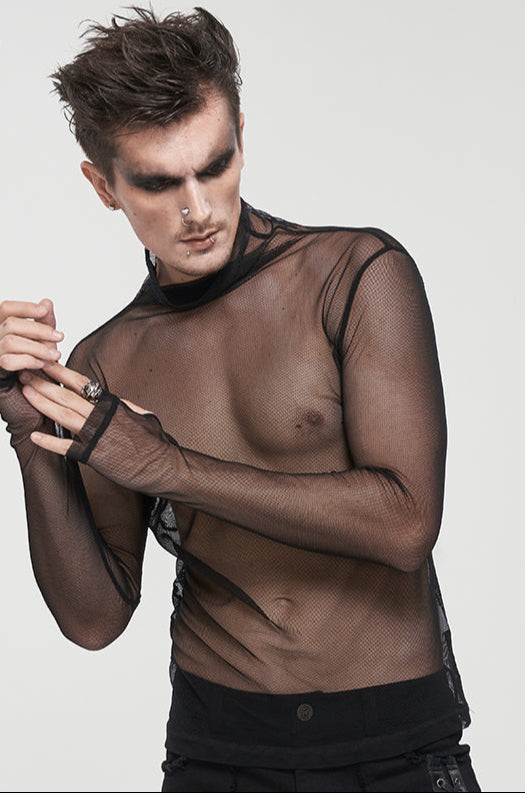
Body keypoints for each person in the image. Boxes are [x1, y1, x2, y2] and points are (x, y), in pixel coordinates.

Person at [0, 7, 481, 792]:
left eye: (214, 165)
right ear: (103, 185)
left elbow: (404, 523)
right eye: (159, 182)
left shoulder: (354, 274)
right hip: (215, 750)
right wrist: (28, 434)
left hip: (394, 747)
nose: (197, 208)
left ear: (241, 139)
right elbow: (94, 618)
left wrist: (169, 467)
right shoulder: (106, 360)